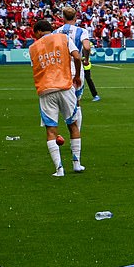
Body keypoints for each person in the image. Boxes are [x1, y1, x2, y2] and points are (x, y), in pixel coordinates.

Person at [28, 20, 85, 176]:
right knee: (73, 125)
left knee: (51, 130)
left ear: (39, 31)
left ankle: (59, 169)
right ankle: (77, 164)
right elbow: (77, 57)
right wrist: (78, 76)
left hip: (46, 90)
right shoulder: (63, 38)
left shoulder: (32, 48)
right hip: (65, 87)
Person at [53, 7, 92, 129]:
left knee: (60, 99)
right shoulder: (81, 31)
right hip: (75, 66)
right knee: (76, 101)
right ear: (76, 17)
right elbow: (86, 47)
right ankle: (76, 134)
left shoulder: (56, 32)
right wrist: (86, 59)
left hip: (61, 68)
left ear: (63, 18)